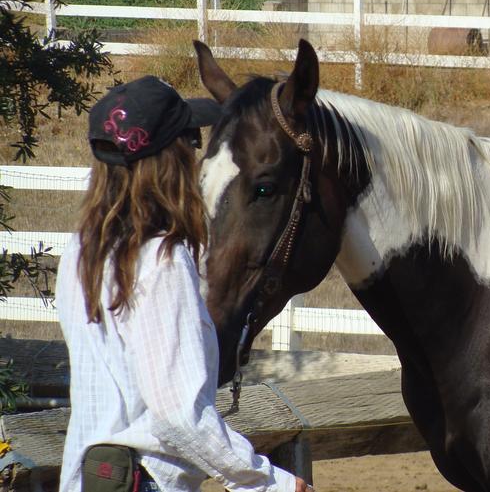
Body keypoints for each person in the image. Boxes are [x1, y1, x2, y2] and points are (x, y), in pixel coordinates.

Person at [56, 76, 309, 492]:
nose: (195, 154)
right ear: (167, 159)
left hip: (90, 476)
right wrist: (269, 483)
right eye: (190, 141)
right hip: (145, 479)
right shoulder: (162, 260)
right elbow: (177, 414)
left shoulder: (82, 252)